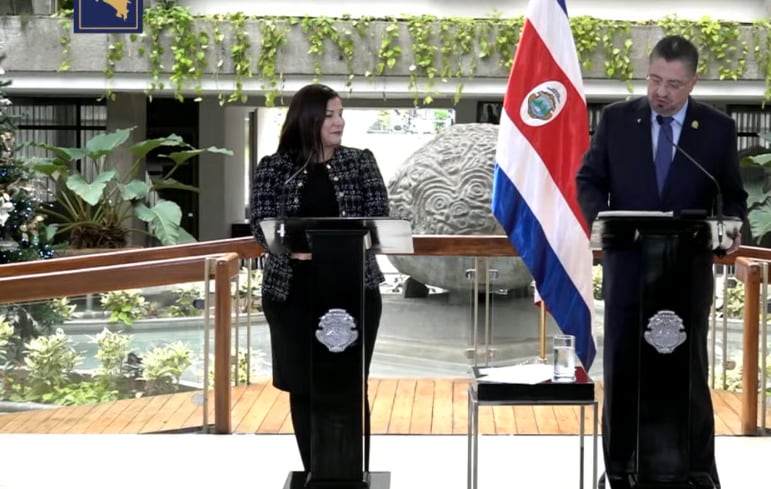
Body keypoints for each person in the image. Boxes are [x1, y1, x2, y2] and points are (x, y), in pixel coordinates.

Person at [576, 35, 747, 489]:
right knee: (623, 369)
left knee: (686, 371)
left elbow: (731, 194)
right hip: (628, 267)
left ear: (692, 82)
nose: (660, 92)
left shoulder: (716, 129)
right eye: (654, 79)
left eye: (673, 84)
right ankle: (621, 470)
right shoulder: (616, 120)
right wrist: (599, 220)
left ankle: (694, 470)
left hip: (685, 272)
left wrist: (732, 227)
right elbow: (590, 179)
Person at [249, 83, 390, 472]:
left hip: (353, 289)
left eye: (341, 113)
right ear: (306, 118)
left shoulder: (361, 162)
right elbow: (261, 228)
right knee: (303, 384)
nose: (339, 121)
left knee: (347, 383)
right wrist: (295, 251)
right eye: (330, 114)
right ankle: (316, 472)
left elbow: (378, 219)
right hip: (292, 291)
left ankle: (348, 473)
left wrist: (333, 250)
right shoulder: (274, 167)